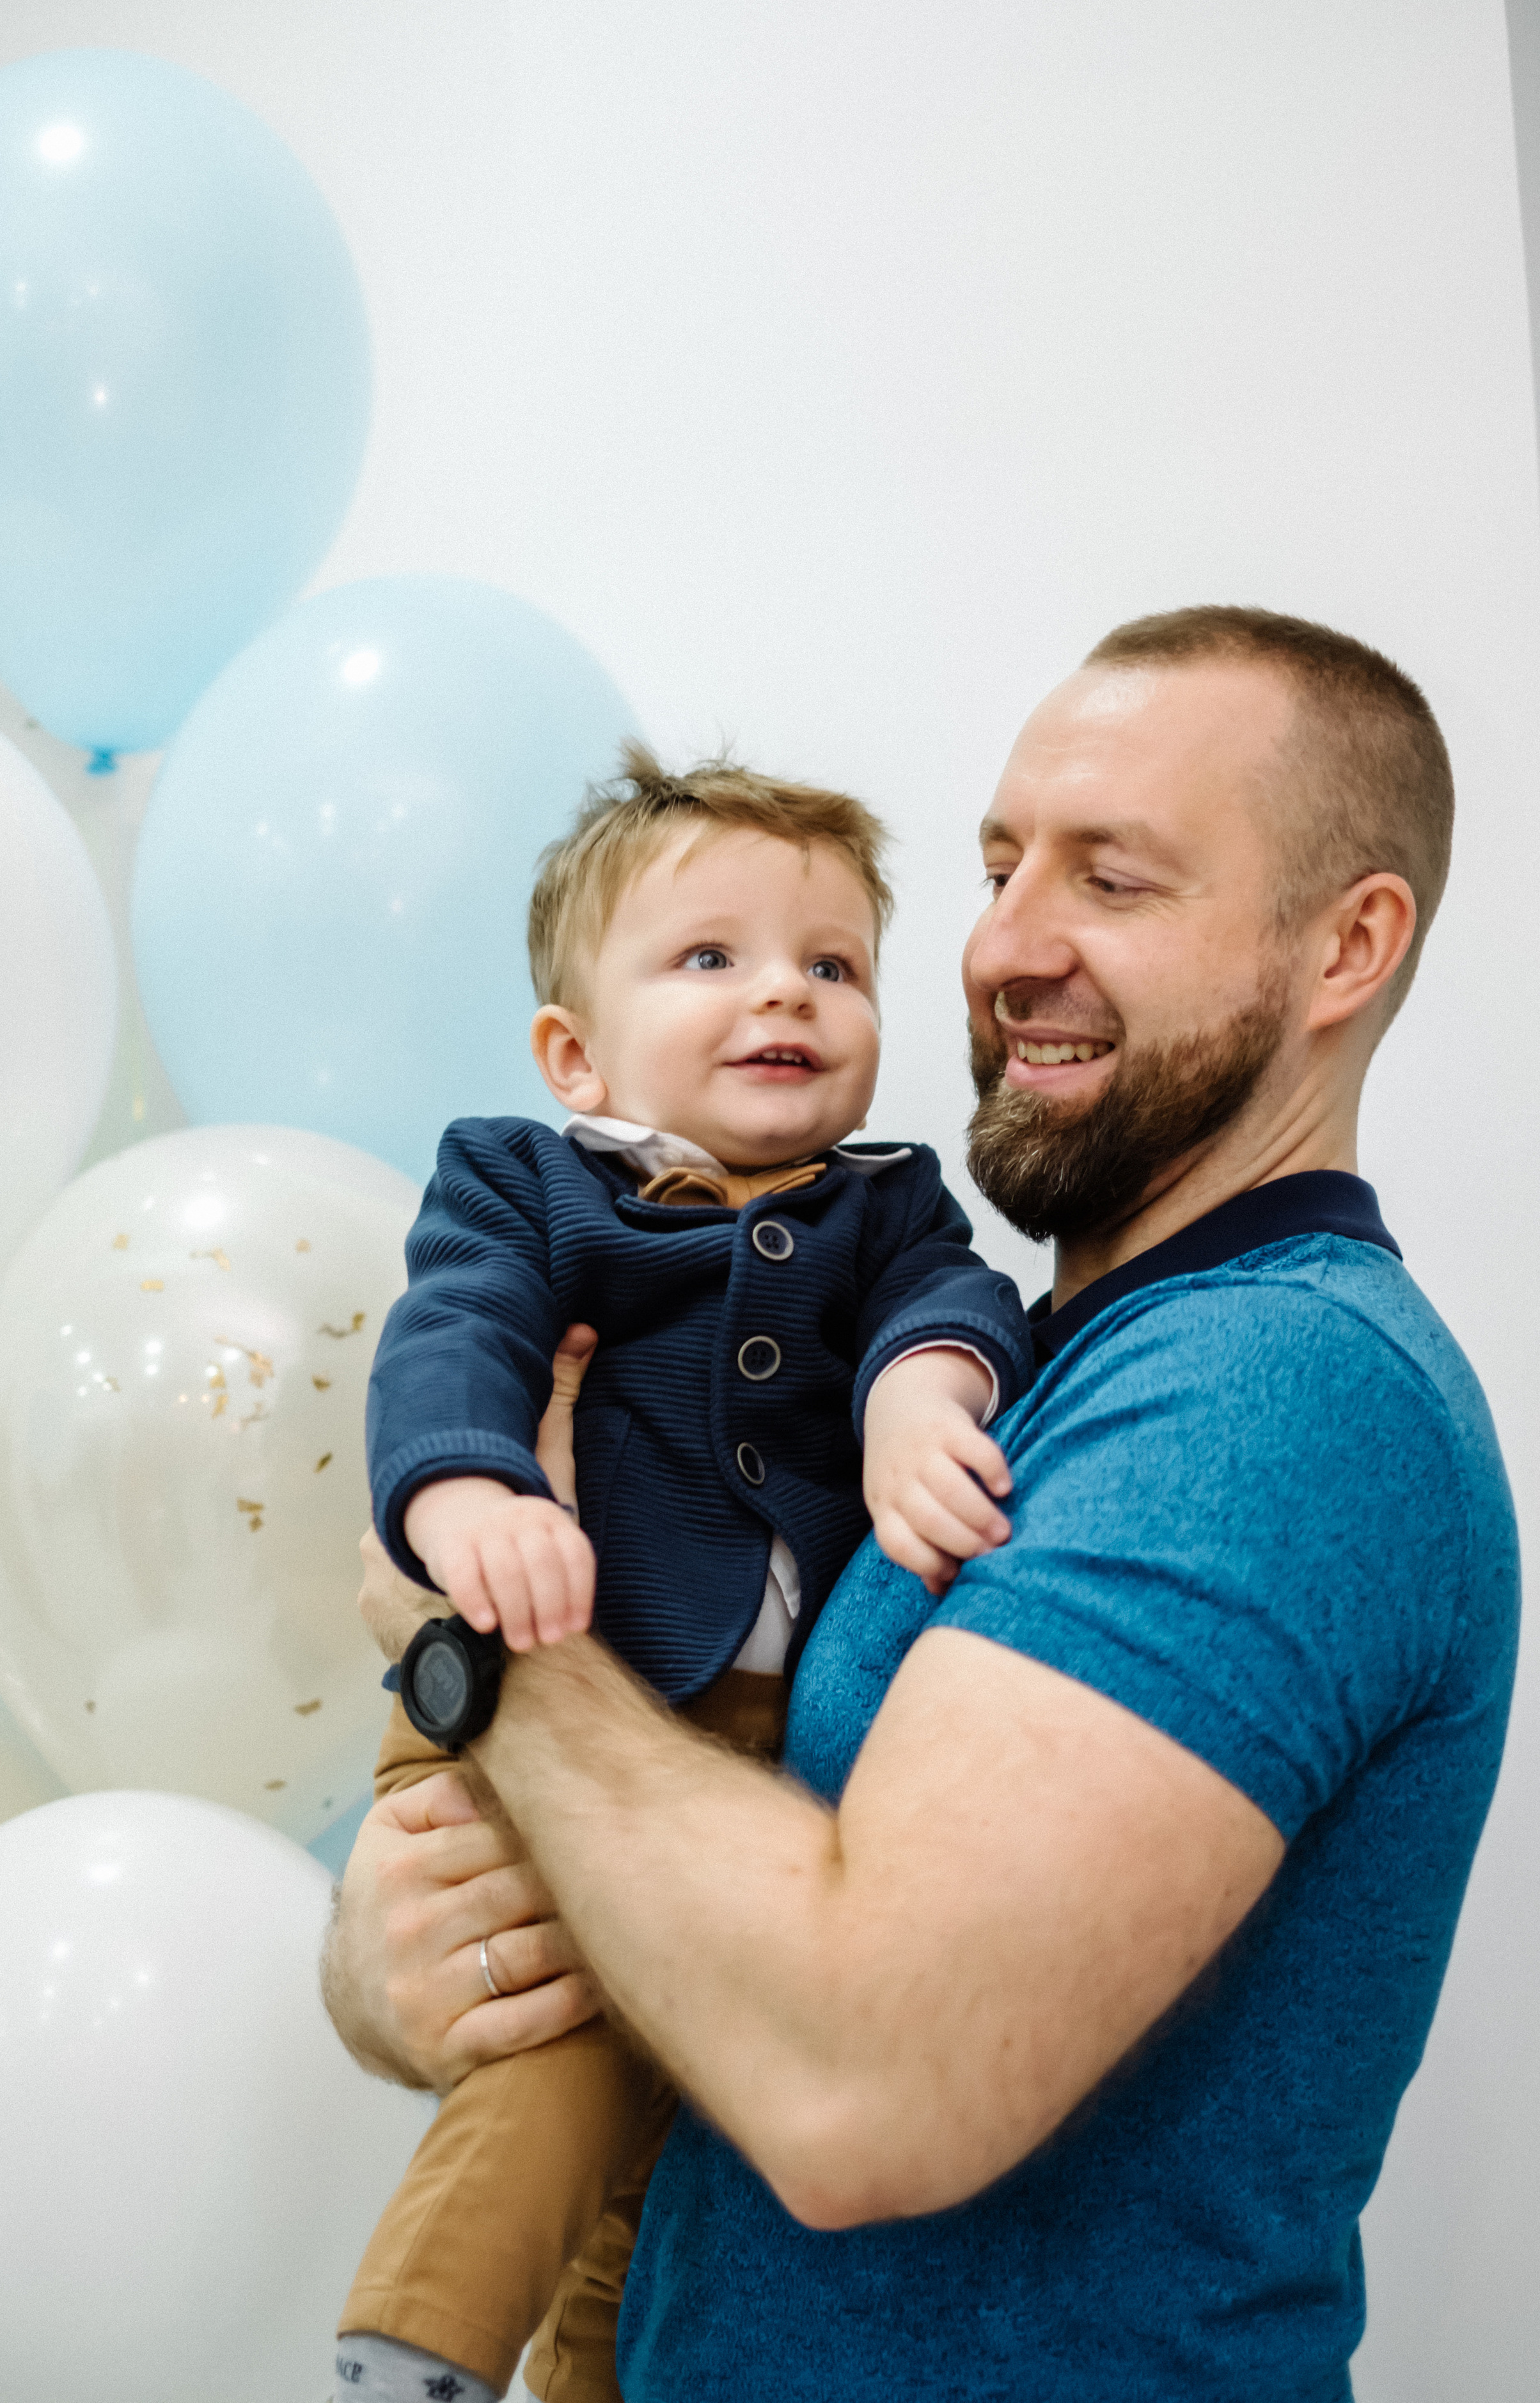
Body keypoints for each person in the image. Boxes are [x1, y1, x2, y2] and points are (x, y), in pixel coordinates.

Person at [324, 607, 1520, 2403]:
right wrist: (407, 1957)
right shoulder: (1032, 1369)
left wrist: (483, 1661)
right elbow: (706, 1910)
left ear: (1346, 945)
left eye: (1112, 881)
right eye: (997, 866)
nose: (1005, 947)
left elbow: (864, 2083)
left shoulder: (1274, 1392)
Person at [337, 750, 1033, 2402]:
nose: (781, 991)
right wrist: (466, 1493)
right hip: (534, 1662)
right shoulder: (531, 1185)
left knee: (667, 2182)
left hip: (732, 1752)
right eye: (709, 958)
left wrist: (917, 1396)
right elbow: (452, 1340)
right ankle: (415, 2343)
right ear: (578, 1053)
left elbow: (962, 1307)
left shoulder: (889, 1208)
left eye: (833, 963)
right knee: (565, 2051)